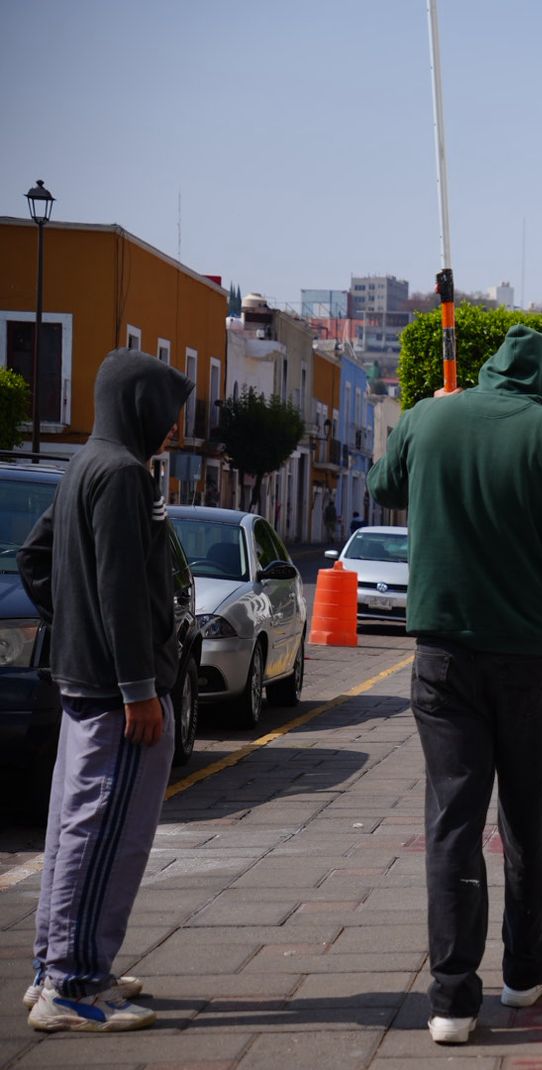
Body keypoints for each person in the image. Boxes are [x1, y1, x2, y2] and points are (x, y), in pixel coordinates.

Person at [369, 325, 542, 1046]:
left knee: (453, 818)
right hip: (530, 657)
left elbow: (384, 488)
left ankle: (449, 1000)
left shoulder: (428, 417)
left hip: (442, 653)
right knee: (524, 814)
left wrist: (423, 415)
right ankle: (525, 971)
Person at [19, 349, 193, 1032]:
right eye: (169, 410)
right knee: (104, 836)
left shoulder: (83, 465)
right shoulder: (122, 475)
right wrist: (138, 686)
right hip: (119, 695)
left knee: (72, 830)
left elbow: (37, 559)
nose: (175, 426)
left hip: (82, 682)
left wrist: (74, 629)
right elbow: (121, 589)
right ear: (139, 404)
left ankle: (55, 969)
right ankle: (75, 985)